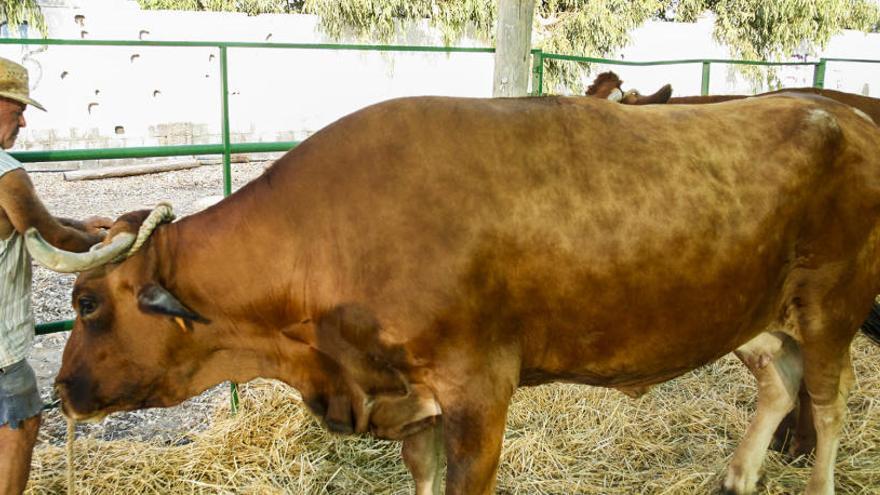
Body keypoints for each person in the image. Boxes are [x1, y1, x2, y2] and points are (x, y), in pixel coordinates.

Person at [0, 57, 111, 495]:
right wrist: (105, 244)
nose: (24, 120)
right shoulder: (6, 173)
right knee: (21, 421)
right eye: (17, 107)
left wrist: (81, 225)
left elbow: (21, 220)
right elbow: (51, 239)